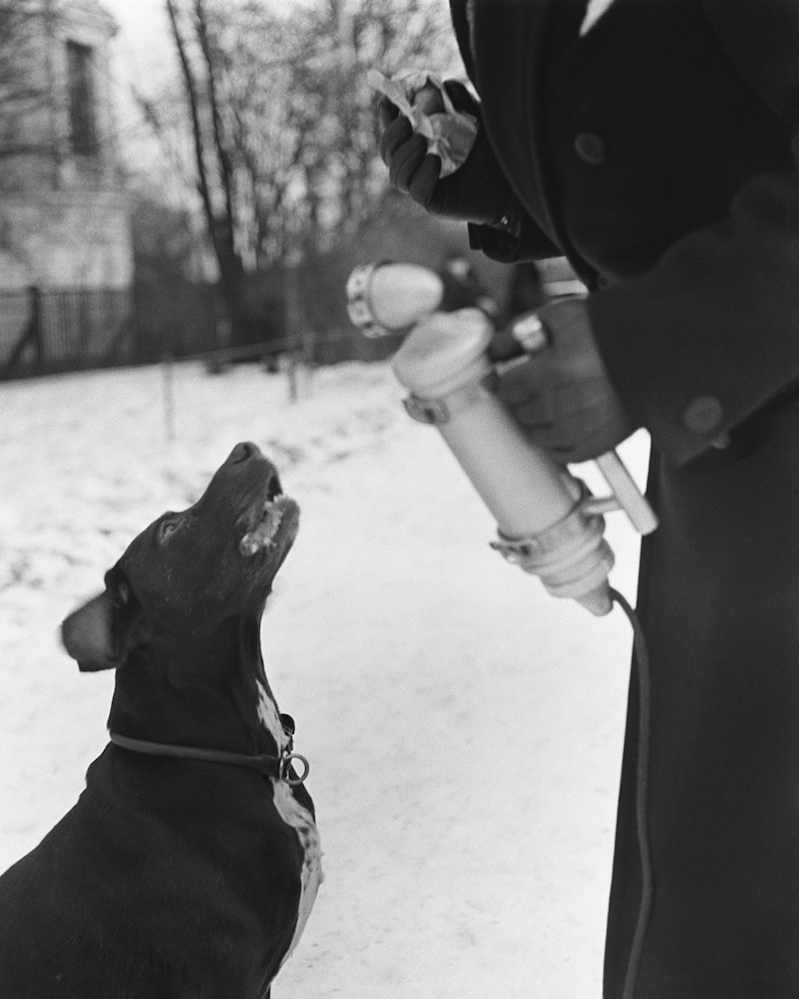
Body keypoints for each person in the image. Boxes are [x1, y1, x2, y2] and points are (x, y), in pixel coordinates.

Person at [377, 2, 799, 997]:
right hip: (729, 463)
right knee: (702, 894)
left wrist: (642, 347)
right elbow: (690, 131)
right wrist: (496, 169)